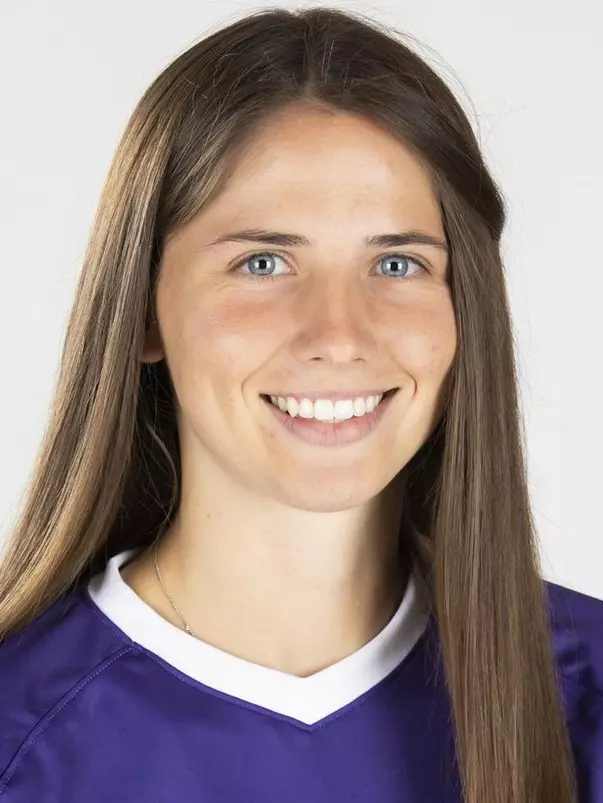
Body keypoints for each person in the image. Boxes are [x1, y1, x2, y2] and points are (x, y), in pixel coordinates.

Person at [0, 6, 601, 803]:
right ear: (143, 310)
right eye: (262, 260)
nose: (337, 333)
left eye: (395, 262)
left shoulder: (584, 695)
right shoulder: (21, 731)